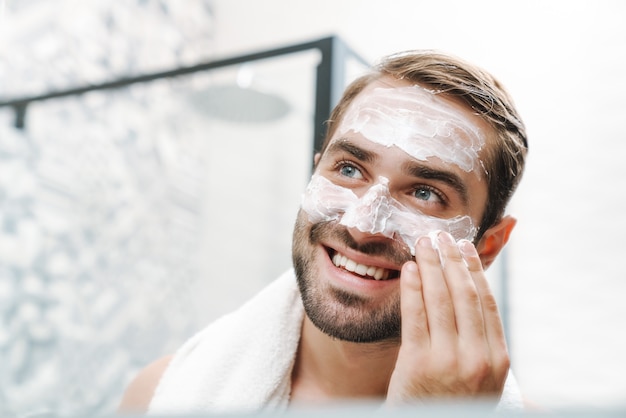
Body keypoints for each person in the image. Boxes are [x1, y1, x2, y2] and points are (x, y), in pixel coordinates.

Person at [118, 49, 528, 414]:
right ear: (315, 172)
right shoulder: (157, 397)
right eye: (349, 169)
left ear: (488, 246)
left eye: (425, 193)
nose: (362, 224)